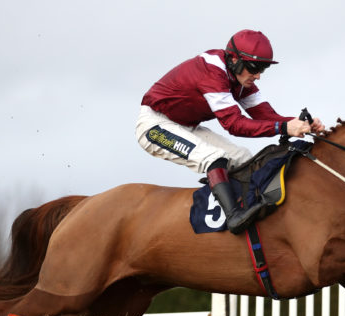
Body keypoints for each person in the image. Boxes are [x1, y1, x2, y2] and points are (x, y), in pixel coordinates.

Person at [136, 29, 324, 234]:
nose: (258, 75)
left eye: (263, 68)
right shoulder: (211, 72)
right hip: (154, 126)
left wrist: (299, 123)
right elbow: (233, 124)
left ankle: (248, 206)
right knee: (213, 157)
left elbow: (265, 116)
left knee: (243, 157)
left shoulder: (242, 79)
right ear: (234, 59)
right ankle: (234, 217)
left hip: (187, 126)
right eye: (254, 67)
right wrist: (284, 127)